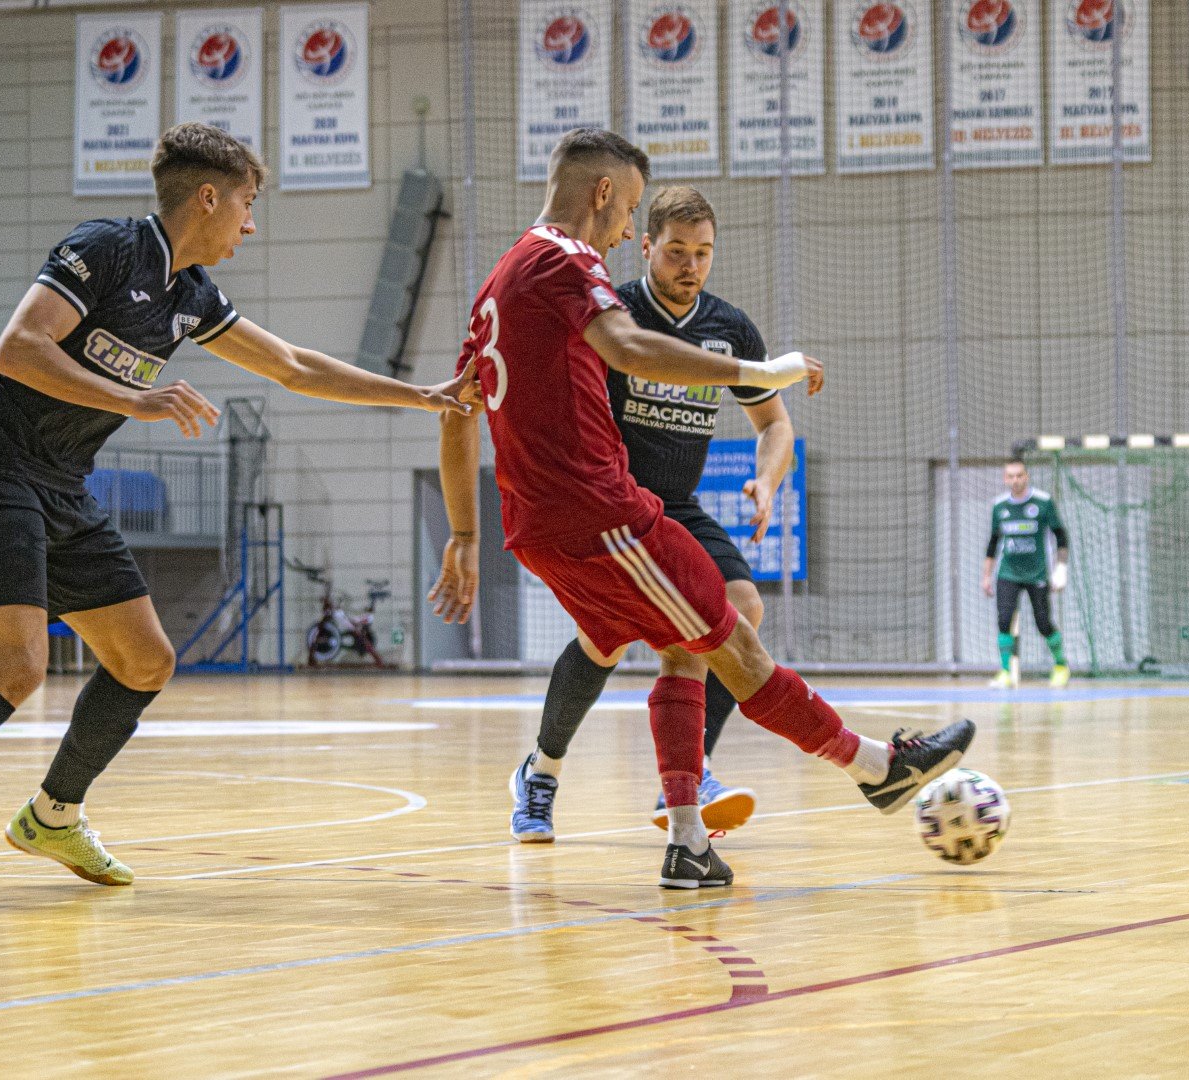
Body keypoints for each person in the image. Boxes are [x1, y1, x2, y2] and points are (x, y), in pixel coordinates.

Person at [0, 122, 473, 908]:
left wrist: (423, 394)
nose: (251, 223)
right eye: (246, 204)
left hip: (61, 483)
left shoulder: (191, 294)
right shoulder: (106, 248)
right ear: (209, 196)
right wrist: (138, 398)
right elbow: (18, 348)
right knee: (17, 667)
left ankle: (53, 814)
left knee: (145, 659)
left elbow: (295, 366)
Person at [432, 127, 974, 889]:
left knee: (688, 640)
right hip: (603, 511)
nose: (627, 233)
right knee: (734, 646)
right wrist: (763, 368)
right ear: (605, 197)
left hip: (547, 522)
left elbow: (455, 409)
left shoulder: (499, 280)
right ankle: (877, 768)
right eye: (633, 219)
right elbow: (628, 347)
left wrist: (463, 530)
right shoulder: (569, 262)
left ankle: (687, 839)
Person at [509, 185, 790, 843]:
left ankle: (695, 772)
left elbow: (774, 422)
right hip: (607, 503)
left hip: (679, 507)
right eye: (675, 253)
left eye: (702, 253)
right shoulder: (613, 309)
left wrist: (766, 479)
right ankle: (542, 772)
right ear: (645, 248)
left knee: (740, 606)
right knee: (604, 641)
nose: (689, 266)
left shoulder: (728, 329)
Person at [982, 459, 1070, 688]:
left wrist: (1061, 569)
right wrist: (986, 576)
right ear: (1005, 479)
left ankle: (1061, 665)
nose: (1015, 480)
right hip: (1008, 573)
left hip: (1037, 573)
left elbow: (1061, 536)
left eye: (1019, 475)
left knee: (1043, 622)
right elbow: (993, 543)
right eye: (1010, 476)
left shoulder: (1042, 502)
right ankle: (1004, 672)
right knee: (1004, 620)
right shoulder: (999, 506)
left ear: (1026, 476)